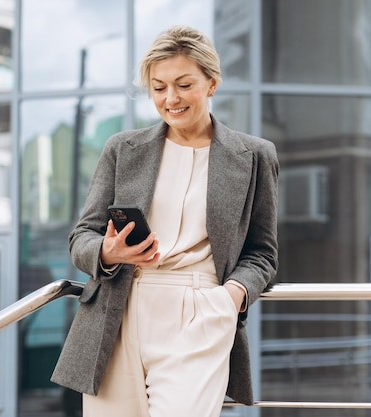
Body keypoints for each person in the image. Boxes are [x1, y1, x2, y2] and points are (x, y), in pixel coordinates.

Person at [51, 25, 279, 417]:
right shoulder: (123, 149)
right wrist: (107, 251)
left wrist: (231, 297)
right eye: (158, 87)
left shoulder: (254, 156)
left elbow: (262, 253)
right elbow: (82, 236)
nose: (170, 98)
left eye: (183, 84)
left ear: (212, 83)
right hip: (115, 312)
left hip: (200, 313)